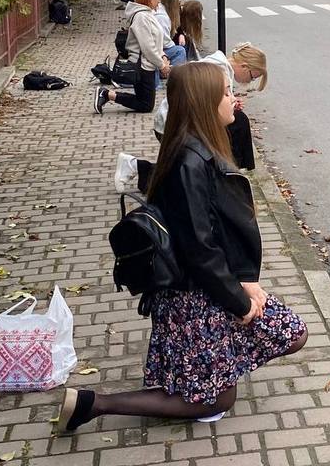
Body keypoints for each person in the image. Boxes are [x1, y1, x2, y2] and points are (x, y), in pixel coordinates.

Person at [61, 62, 307, 433]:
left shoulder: (197, 147)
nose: (234, 98)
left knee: (292, 334)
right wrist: (239, 301)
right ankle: (93, 404)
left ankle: (212, 368)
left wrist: (246, 281)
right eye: (226, 92)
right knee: (216, 401)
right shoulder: (189, 161)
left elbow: (217, 230)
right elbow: (200, 249)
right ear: (205, 101)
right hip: (192, 293)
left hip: (208, 285)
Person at [154, 43, 268, 171]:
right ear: (244, 67)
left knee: (237, 119)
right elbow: (208, 107)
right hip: (173, 125)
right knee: (238, 122)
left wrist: (231, 103)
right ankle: (233, 168)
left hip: (174, 121)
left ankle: (232, 167)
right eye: (252, 77)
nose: (249, 82)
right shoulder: (219, 70)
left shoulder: (219, 65)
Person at [95, 0, 169, 114]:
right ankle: (107, 94)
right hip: (142, 65)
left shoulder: (148, 14)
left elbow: (155, 41)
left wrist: (162, 55)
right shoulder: (142, 17)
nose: (159, 1)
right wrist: (162, 65)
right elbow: (147, 46)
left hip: (148, 64)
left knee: (145, 103)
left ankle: (107, 95)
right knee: (145, 105)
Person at [157, 0, 188, 71]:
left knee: (182, 44)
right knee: (180, 50)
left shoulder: (163, 13)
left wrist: (181, 35)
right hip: (158, 49)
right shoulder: (162, 17)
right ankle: (174, 72)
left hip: (159, 47)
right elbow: (165, 42)